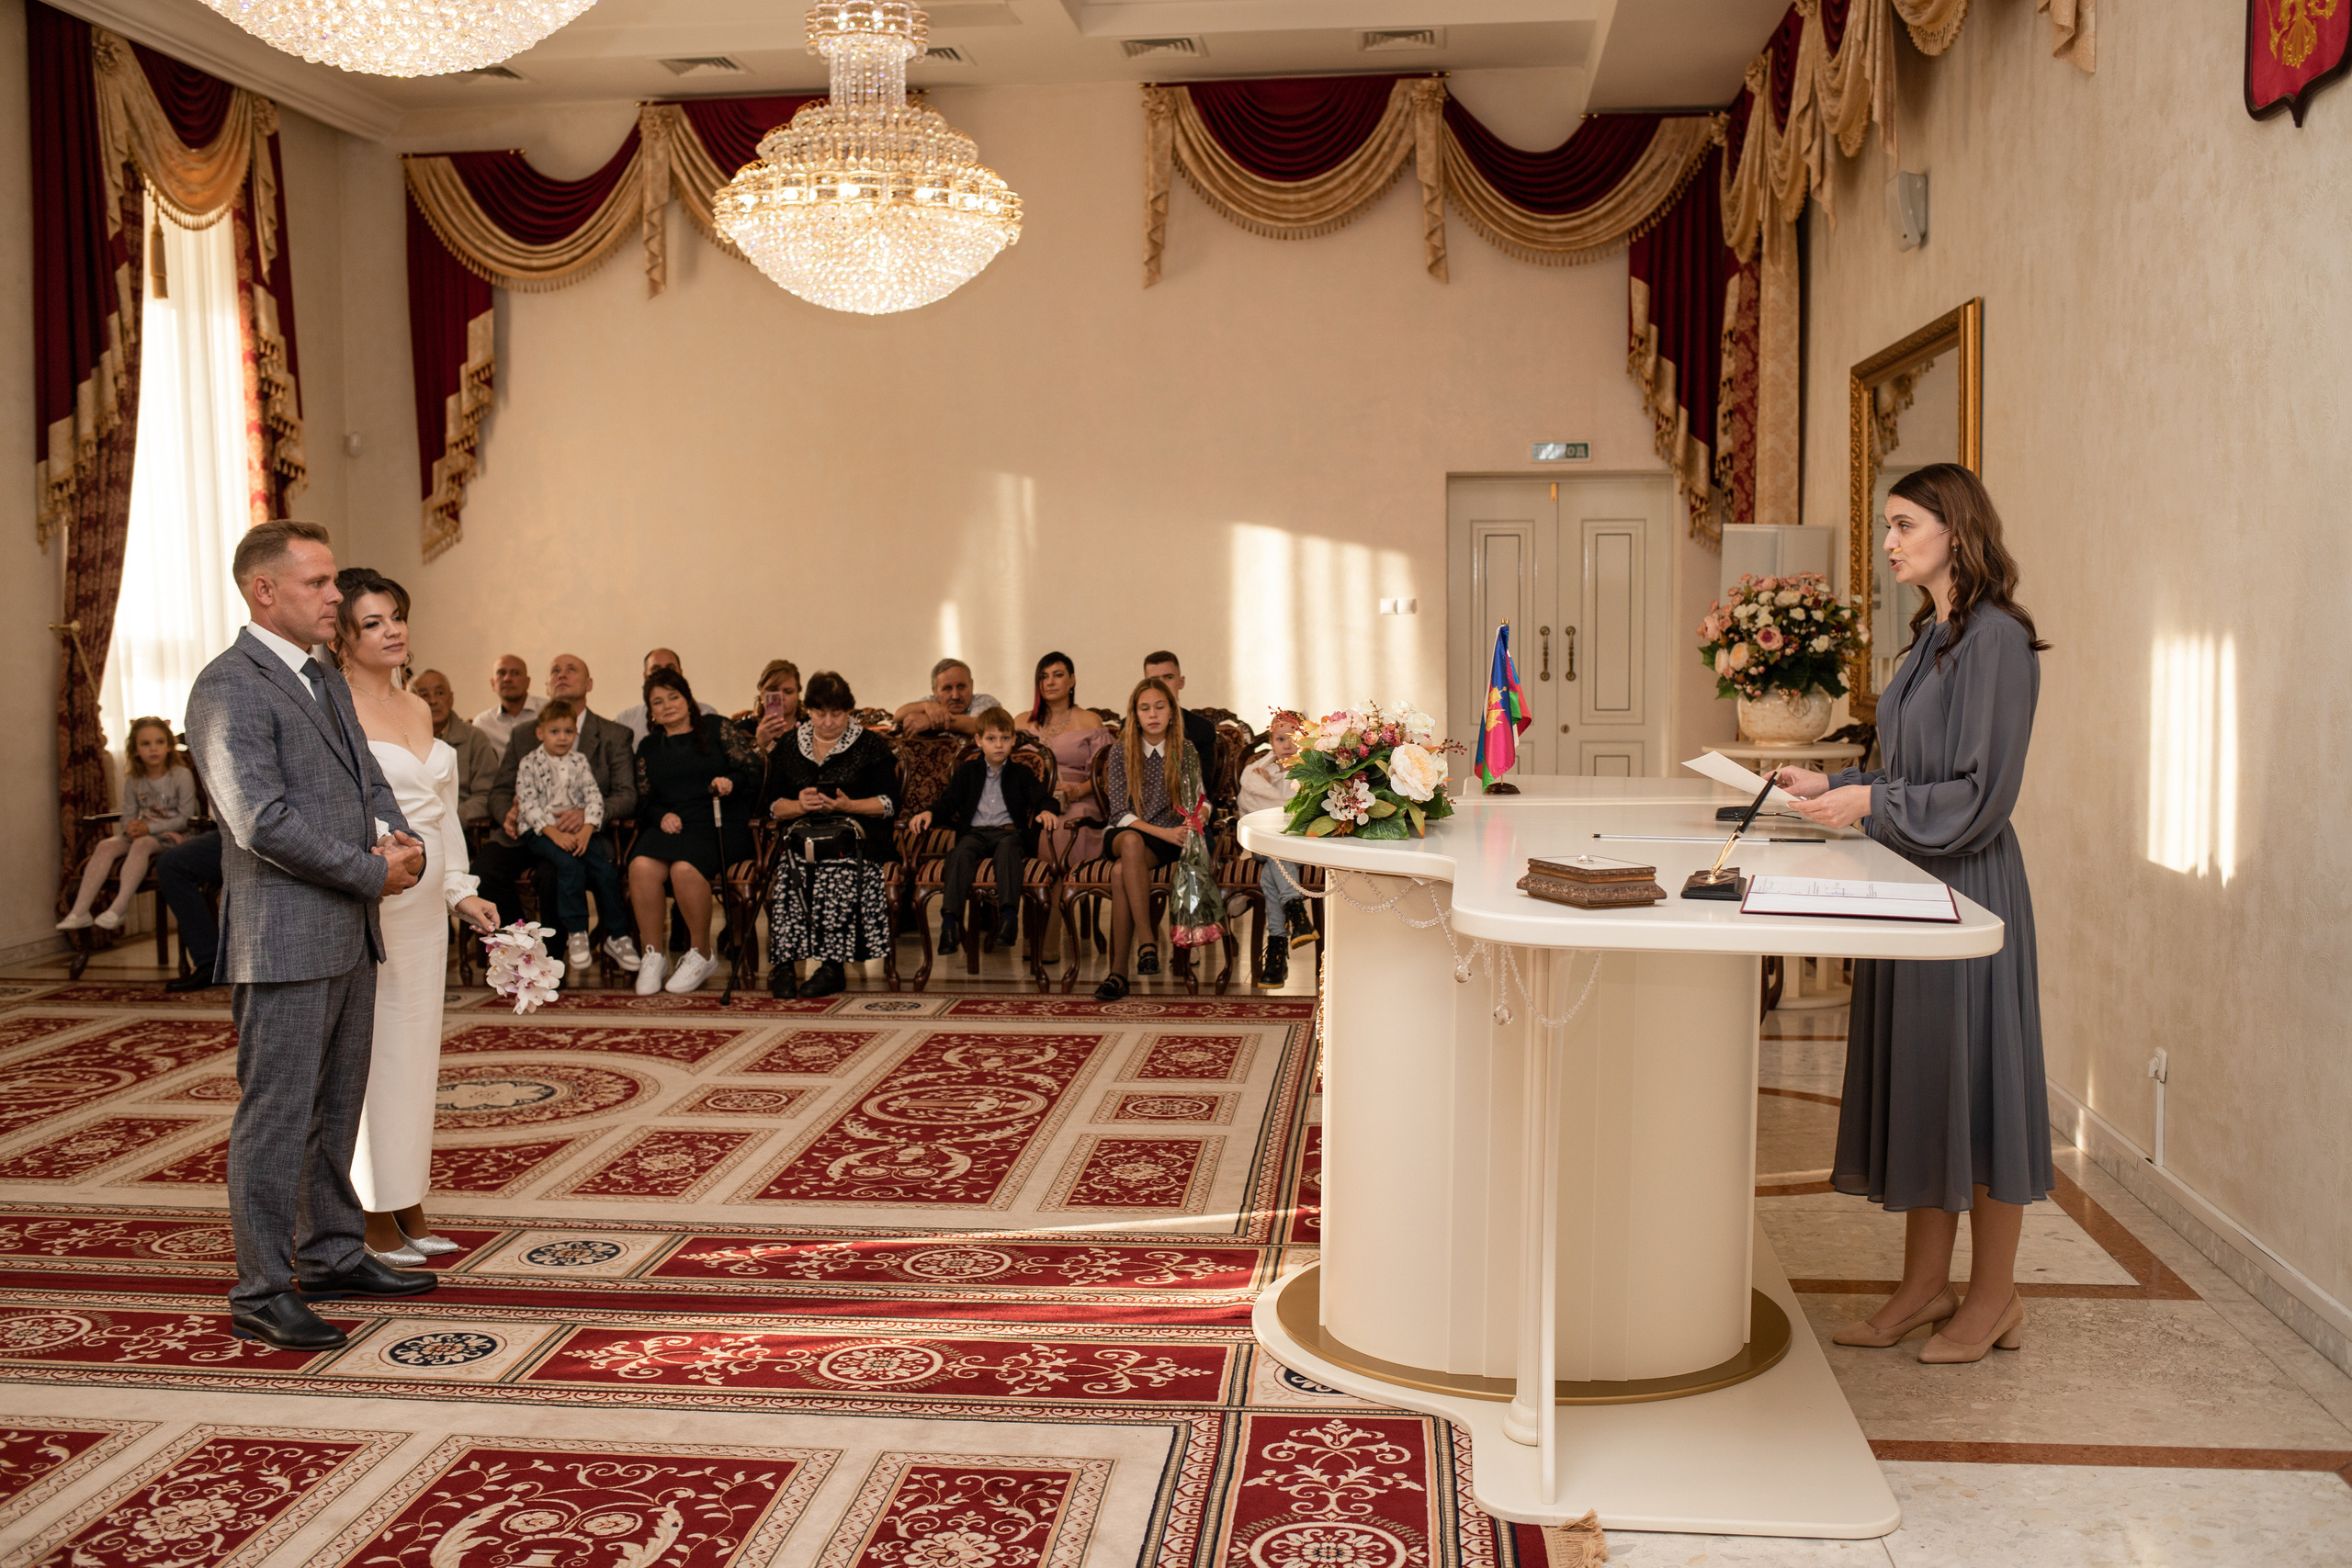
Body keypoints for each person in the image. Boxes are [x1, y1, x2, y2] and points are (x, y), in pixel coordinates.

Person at [1772, 463, 2052, 1366]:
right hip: (1912, 881)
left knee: (1980, 1092)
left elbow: (1980, 795)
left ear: (1953, 527)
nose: (1887, 542)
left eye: (1901, 525)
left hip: (1968, 884)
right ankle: (1922, 1288)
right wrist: (1839, 784)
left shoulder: (1997, 641)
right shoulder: (1932, 638)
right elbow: (1909, 771)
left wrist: (1868, 808)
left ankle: (1994, 1297)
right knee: (1929, 1085)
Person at [183, 520, 435, 1352]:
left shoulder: (320, 678)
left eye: (333, 583)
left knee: (336, 1109)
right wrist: (371, 872)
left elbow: (367, 778)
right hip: (283, 939)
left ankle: (330, 1251)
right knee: (276, 1116)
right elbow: (261, 819)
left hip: (347, 933)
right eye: (319, 583)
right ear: (264, 591)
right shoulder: (230, 685)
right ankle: (261, 1288)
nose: (336, 596)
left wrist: (404, 840)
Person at [333, 569, 501, 1266]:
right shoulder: (332, 706)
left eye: (396, 616)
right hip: (376, 899)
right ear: (341, 634)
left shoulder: (419, 705)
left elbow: (442, 815)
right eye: (372, 621)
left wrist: (460, 890)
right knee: (374, 1056)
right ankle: (370, 1210)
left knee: (417, 1055)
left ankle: (408, 1199)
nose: (392, 630)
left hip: (426, 906)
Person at [481, 653, 638, 964]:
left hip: (580, 835)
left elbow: (627, 795)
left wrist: (587, 815)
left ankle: (554, 962)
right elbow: (501, 790)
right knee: (485, 871)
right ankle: (523, 949)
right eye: (554, 670)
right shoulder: (525, 734)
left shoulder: (613, 734)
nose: (561, 675)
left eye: (571, 670)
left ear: (589, 683)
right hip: (529, 830)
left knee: (558, 872)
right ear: (546, 685)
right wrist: (509, 814)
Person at [763, 671, 899, 998]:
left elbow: (889, 804)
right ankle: (784, 964)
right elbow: (771, 806)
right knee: (788, 873)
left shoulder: (870, 746)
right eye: (819, 713)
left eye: (836, 714)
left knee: (835, 870)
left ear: (849, 711)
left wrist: (848, 804)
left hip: (855, 841)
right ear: (808, 710)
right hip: (801, 839)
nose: (827, 722)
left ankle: (831, 966)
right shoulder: (788, 745)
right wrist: (799, 805)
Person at [628, 666, 760, 996]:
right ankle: (653, 955)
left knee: (684, 869)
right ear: (651, 713)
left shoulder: (716, 729)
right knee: (641, 866)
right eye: (658, 702)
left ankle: (701, 953)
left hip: (717, 821)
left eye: (674, 697)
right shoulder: (649, 746)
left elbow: (752, 772)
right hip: (672, 824)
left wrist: (730, 782)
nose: (667, 705)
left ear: (688, 699)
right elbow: (642, 799)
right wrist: (660, 816)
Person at [908, 706, 1055, 952]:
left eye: (1005, 738)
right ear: (979, 741)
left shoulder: (1021, 773)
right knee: (959, 853)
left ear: (1014, 740)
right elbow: (948, 801)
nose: (999, 745)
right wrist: (929, 813)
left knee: (1008, 850)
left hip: (1009, 833)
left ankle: (1009, 919)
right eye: (991, 738)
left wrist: (1047, 810)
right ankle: (949, 924)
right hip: (974, 834)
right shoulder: (968, 771)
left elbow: (1043, 798)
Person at [1091, 676, 1201, 1003]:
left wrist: (1197, 818)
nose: (1152, 714)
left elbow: (1201, 798)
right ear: (1134, 714)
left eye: (1159, 706)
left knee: (1119, 872)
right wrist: (1163, 832)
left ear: (1172, 711)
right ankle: (1148, 942)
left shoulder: (1185, 749)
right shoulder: (1121, 751)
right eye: (1144, 708)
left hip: (1165, 842)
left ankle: (1117, 974)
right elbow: (1118, 814)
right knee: (1130, 843)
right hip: (1125, 832)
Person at [516, 699, 628, 978]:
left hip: (578, 830)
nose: (563, 738)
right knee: (569, 865)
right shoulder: (529, 763)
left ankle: (618, 935)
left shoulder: (580, 761)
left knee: (603, 867)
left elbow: (593, 797)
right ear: (540, 733)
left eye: (568, 731)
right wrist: (554, 833)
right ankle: (577, 932)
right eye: (555, 732)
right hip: (541, 830)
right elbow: (527, 805)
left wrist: (587, 829)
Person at [57, 717, 198, 932]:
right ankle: (80, 911)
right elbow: (129, 814)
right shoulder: (134, 779)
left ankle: (119, 908)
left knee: (142, 844)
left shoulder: (181, 775)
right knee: (106, 845)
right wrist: (129, 828)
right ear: (134, 750)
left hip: (173, 836)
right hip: (143, 833)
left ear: (169, 746)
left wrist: (147, 829)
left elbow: (185, 818)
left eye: (159, 742)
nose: (153, 748)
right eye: (145, 744)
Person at [1236, 714, 1316, 985]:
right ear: (1271, 743)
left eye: (1294, 739)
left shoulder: (1308, 773)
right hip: (1263, 842)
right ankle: (1296, 911)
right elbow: (1249, 807)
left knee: (1271, 873)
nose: (1287, 744)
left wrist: (1276, 802)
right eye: (1281, 739)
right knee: (1274, 850)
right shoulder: (1258, 774)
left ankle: (1277, 950)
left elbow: (1303, 812)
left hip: (1295, 844)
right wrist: (1269, 788)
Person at [1019, 650, 1112, 872]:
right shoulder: (1021, 721)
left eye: (1057, 675)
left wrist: (1076, 792)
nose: (1049, 682)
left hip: (1077, 799)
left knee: (1059, 824)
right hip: (1032, 799)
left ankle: (1057, 900)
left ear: (1072, 679)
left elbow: (1106, 775)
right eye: (1043, 676)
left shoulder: (1089, 720)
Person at [411, 669, 499, 828]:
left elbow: (487, 795)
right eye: (424, 695)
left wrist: (448, 818)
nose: (433, 701)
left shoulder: (474, 738)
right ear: (410, 701)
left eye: (439, 693)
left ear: (451, 699)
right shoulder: (403, 740)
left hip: (462, 825)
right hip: (414, 825)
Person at [157, 826, 226, 994]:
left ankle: (211, 962)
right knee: (170, 864)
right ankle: (209, 962)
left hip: (267, 825)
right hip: (226, 831)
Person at [616, 647, 718, 748]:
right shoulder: (626, 721)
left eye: (670, 668)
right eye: (656, 669)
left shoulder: (707, 714)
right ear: (645, 676)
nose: (664, 674)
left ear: (681, 673)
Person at [1143, 650, 1219, 775]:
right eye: (1155, 680)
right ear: (1145, 685)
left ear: (1181, 682)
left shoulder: (1202, 729)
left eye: (1168, 677)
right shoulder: (1130, 726)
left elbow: (1203, 787)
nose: (1162, 685)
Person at [894, 659, 1002, 738]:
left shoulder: (986, 702)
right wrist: (925, 705)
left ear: (971, 685)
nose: (955, 696)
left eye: (961, 687)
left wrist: (931, 721)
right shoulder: (932, 703)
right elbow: (897, 716)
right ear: (935, 691)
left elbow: (979, 725)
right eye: (947, 688)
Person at [472, 654, 540, 750]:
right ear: (493, 684)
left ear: (527, 682)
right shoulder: (483, 724)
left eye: (515, 673)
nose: (507, 679)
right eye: (501, 673)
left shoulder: (548, 711)